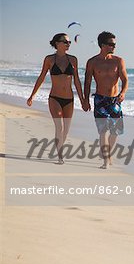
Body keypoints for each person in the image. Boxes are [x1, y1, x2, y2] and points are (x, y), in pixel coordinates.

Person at [27, 33, 86, 164]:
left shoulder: (73, 60)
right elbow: (41, 77)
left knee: (66, 130)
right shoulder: (49, 59)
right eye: (65, 42)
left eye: (69, 42)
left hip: (69, 100)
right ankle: (60, 156)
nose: (68, 44)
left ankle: (59, 149)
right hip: (54, 98)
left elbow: (77, 80)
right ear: (57, 43)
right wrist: (32, 95)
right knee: (59, 127)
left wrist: (82, 100)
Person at [84, 31, 128, 169]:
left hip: (115, 100)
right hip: (100, 100)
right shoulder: (92, 62)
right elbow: (87, 82)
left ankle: (108, 154)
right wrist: (85, 100)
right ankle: (105, 161)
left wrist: (123, 92)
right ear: (102, 45)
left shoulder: (118, 60)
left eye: (114, 44)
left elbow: (125, 79)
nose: (113, 47)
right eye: (111, 44)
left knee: (115, 132)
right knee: (103, 131)